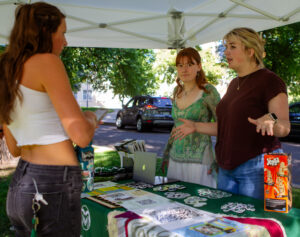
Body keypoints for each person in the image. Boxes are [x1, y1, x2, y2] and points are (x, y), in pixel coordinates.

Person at [0, 2, 98, 236]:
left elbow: (13, 148)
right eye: (62, 33)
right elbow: (82, 136)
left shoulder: (6, 70)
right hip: (55, 180)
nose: (65, 41)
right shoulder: (47, 62)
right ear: (45, 31)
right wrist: (90, 118)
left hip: (22, 181)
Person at [172, 28, 290, 199]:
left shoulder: (270, 80)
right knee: (226, 222)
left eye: (232, 47)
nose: (226, 52)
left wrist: (271, 120)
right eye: (226, 46)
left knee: (253, 223)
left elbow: (284, 126)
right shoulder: (234, 83)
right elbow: (226, 127)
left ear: (250, 51)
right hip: (226, 168)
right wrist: (195, 126)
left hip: (255, 166)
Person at [161, 47, 220, 188]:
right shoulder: (176, 91)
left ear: (199, 66)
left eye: (190, 64)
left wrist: (218, 158)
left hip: (200, 161)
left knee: (199, 204)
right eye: (180, 65)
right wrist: (167, 154)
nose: (184, 69)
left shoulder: (208, 91)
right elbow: (176, 126)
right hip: (175, 159)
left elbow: (224, 126)